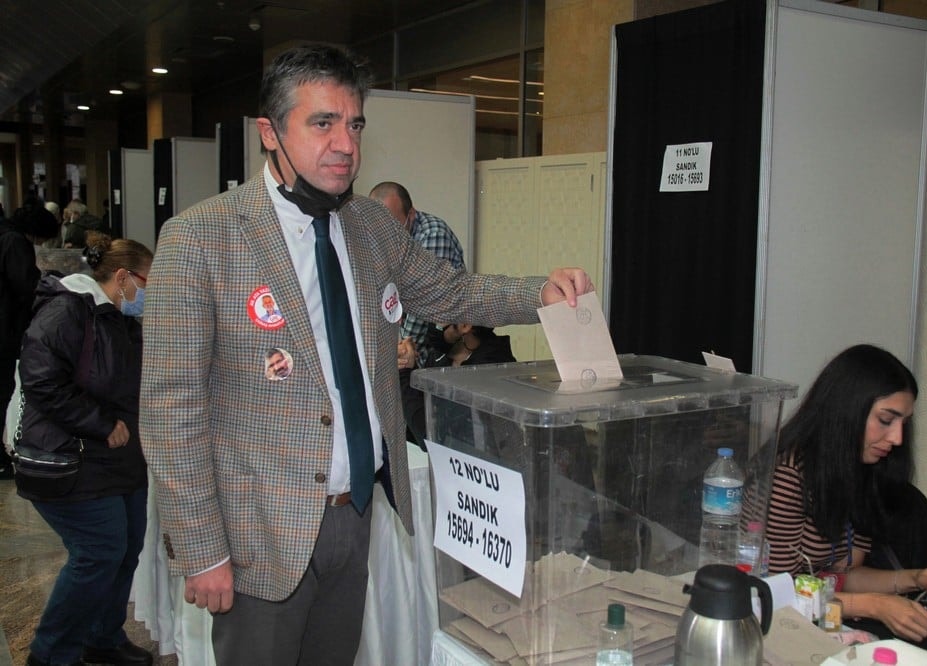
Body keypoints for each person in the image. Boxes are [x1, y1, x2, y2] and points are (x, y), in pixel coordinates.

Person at [139, 42, 593, 666]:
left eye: (353, 124)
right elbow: (171, 412)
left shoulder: (370, 226)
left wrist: (538, 292)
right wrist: (201, 549)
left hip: (355, 515)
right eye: (322, 123)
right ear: (270, 133)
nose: (345, 143)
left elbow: (451, 289)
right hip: (258, 535)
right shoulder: (200, 239)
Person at [765, 344, 927, 652]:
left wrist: (917, 578)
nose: (897, 438)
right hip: (780, 622)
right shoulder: (788, 472)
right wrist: (876, 606)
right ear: (847, 410)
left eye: (903, 423)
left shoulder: (861, 468)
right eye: (886, 420)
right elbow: (779, 593)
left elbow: (845, 574)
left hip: (827, 614)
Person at [17, 231, 153, 666]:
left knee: (126, 548)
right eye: (148, 283)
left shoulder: (122, 319)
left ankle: (103, 638)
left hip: (119, 459)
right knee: (98, 551)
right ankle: (52, 653)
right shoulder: (67, 310)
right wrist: (99, 422)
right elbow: (41, 380)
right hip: (72, 454)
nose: (149, 294)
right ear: (122, 277)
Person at [369, 181, 466, 367]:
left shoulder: (433, 235)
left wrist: (402, 352)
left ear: (411, 215)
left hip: (443, 346)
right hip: (412, 343)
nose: (386, 235)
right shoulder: (379, 238)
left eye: (393, 227)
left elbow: (422, 298)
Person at [1, 202, 59, 479]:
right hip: (5, 330)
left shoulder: (4, 235)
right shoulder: (15, 243)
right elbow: (27, 285)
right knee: (2, 389)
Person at [399, 323, 516, 447]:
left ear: (465, 326)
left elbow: (433, 437)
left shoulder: (489, 372)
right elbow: (424, 412)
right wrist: (410, 367)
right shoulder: (441, 357)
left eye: (439, 319)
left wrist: (403, 372)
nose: (433, 325)